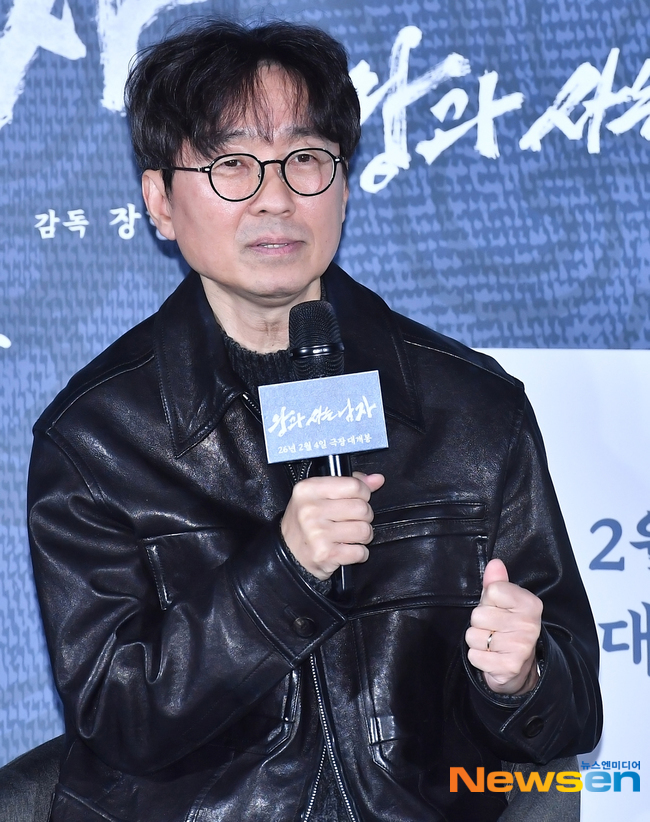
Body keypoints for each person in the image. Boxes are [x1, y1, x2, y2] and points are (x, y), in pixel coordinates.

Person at [27, 19, 602, 822]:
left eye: (305, 159)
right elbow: (117, 720)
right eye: (231, 164)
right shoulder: (98, 437)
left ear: (343, 185)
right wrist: (284, 572)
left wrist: (525, 678)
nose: (275, 196)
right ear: (160, 201)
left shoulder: (473, 410)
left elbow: (572, 715)